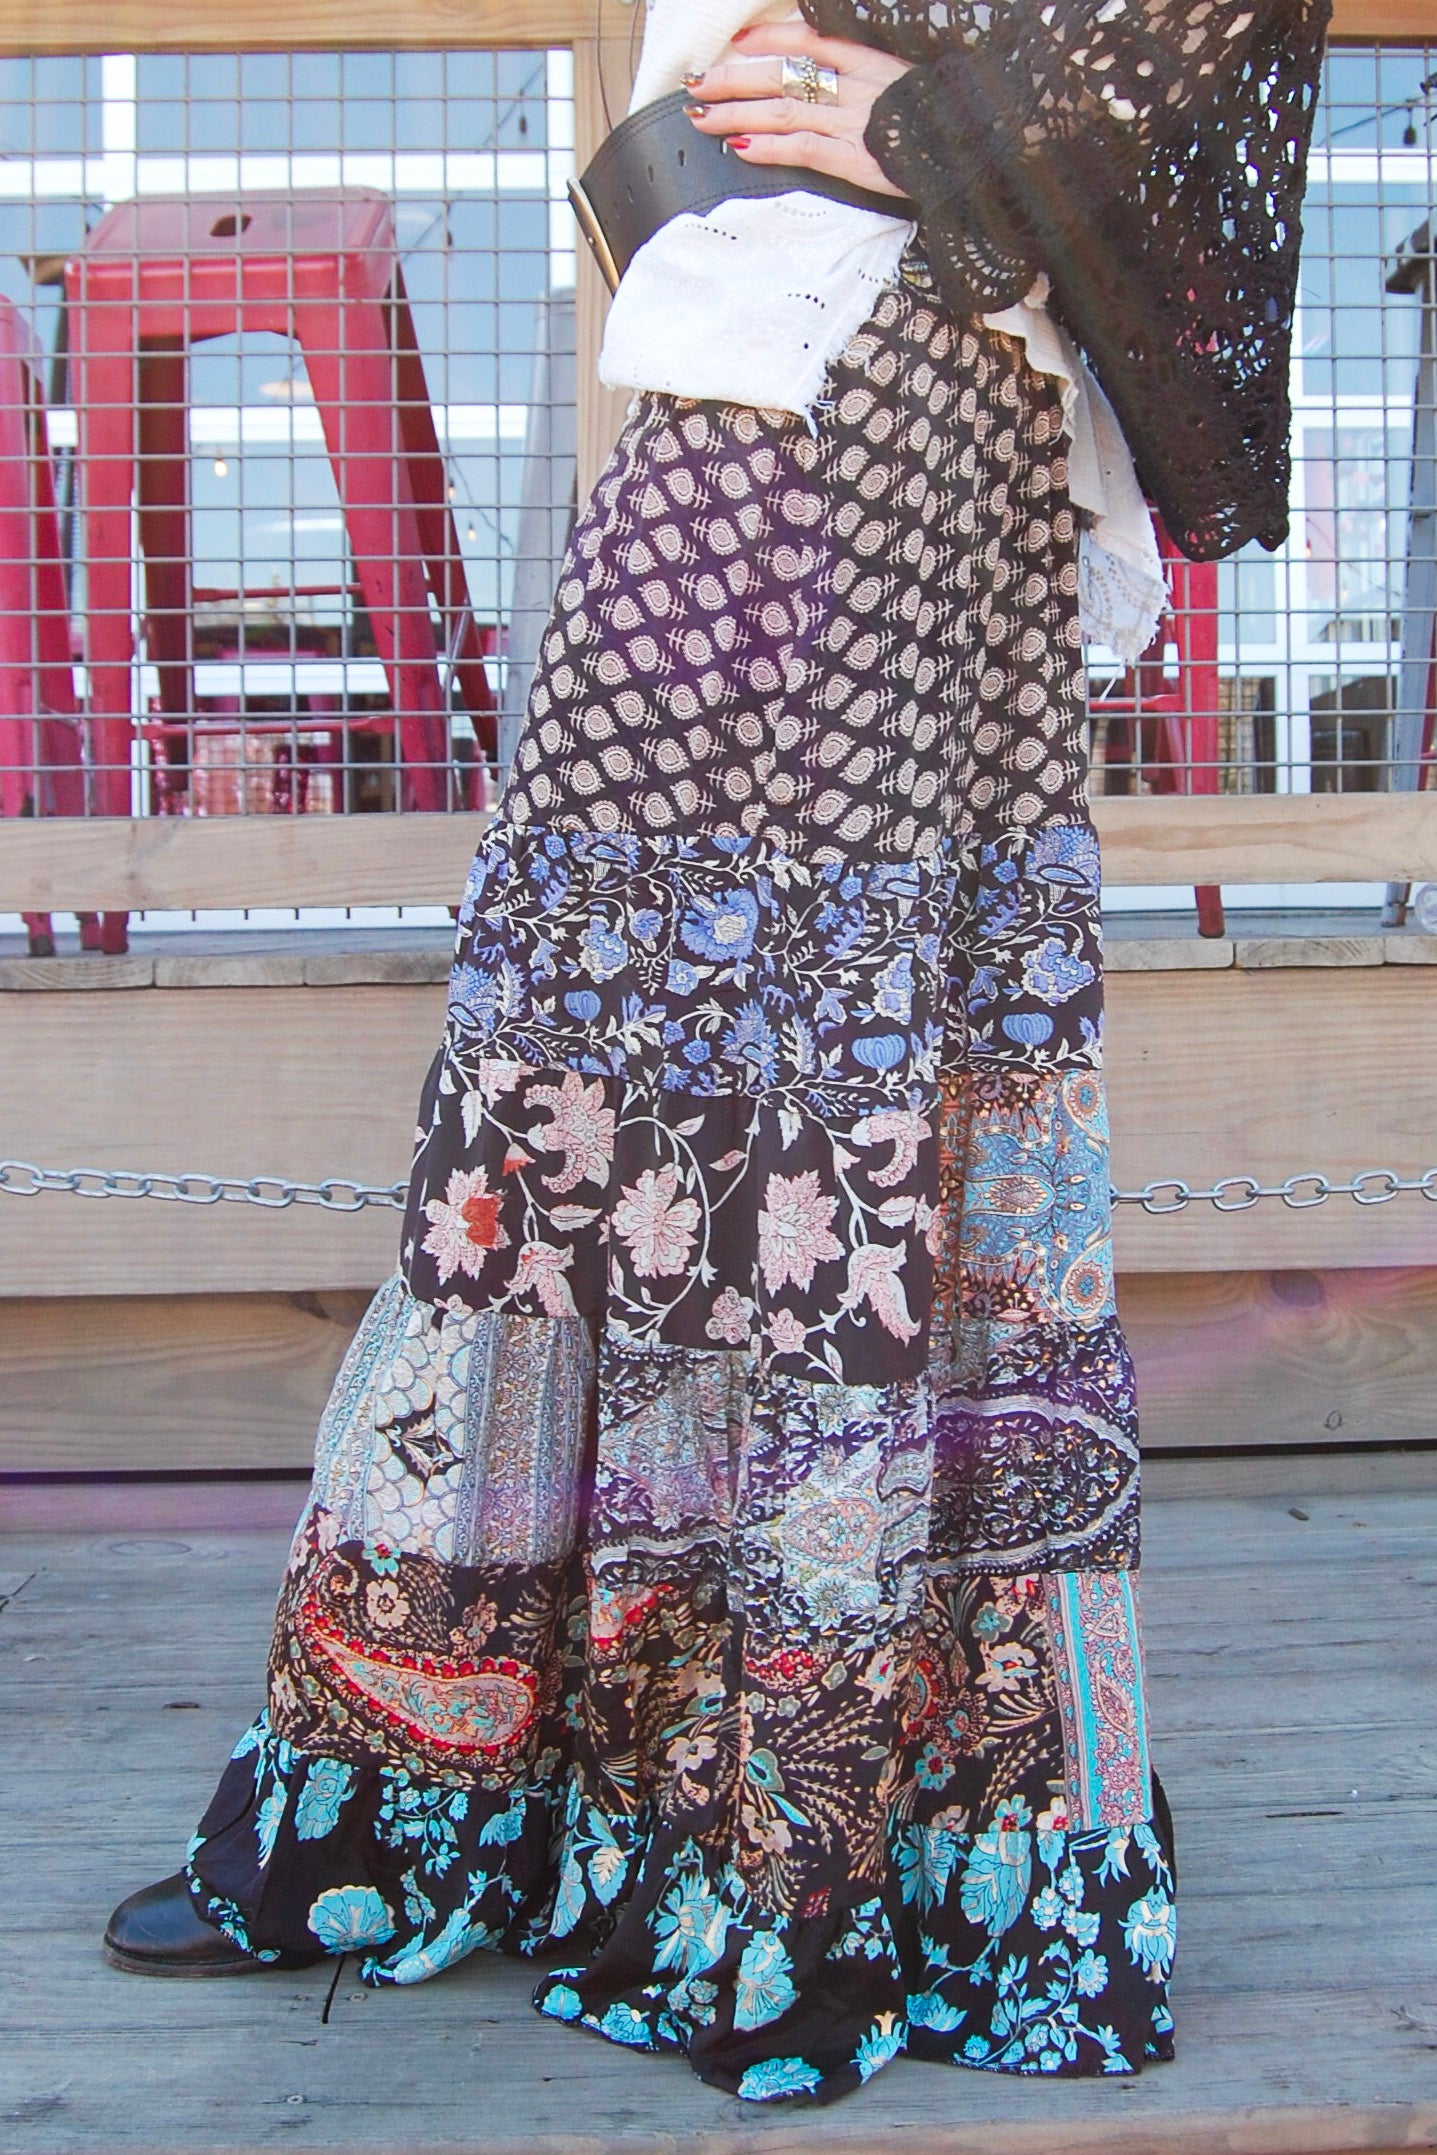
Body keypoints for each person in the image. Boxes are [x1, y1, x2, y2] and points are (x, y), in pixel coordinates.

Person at [105, 0, 1327, 2105]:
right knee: (569, 1107)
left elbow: (1202, 39)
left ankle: (777, 1829)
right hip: (735, 377)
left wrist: (955, 120)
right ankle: (465, 1789)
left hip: (896, 397)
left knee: (804, 1115)